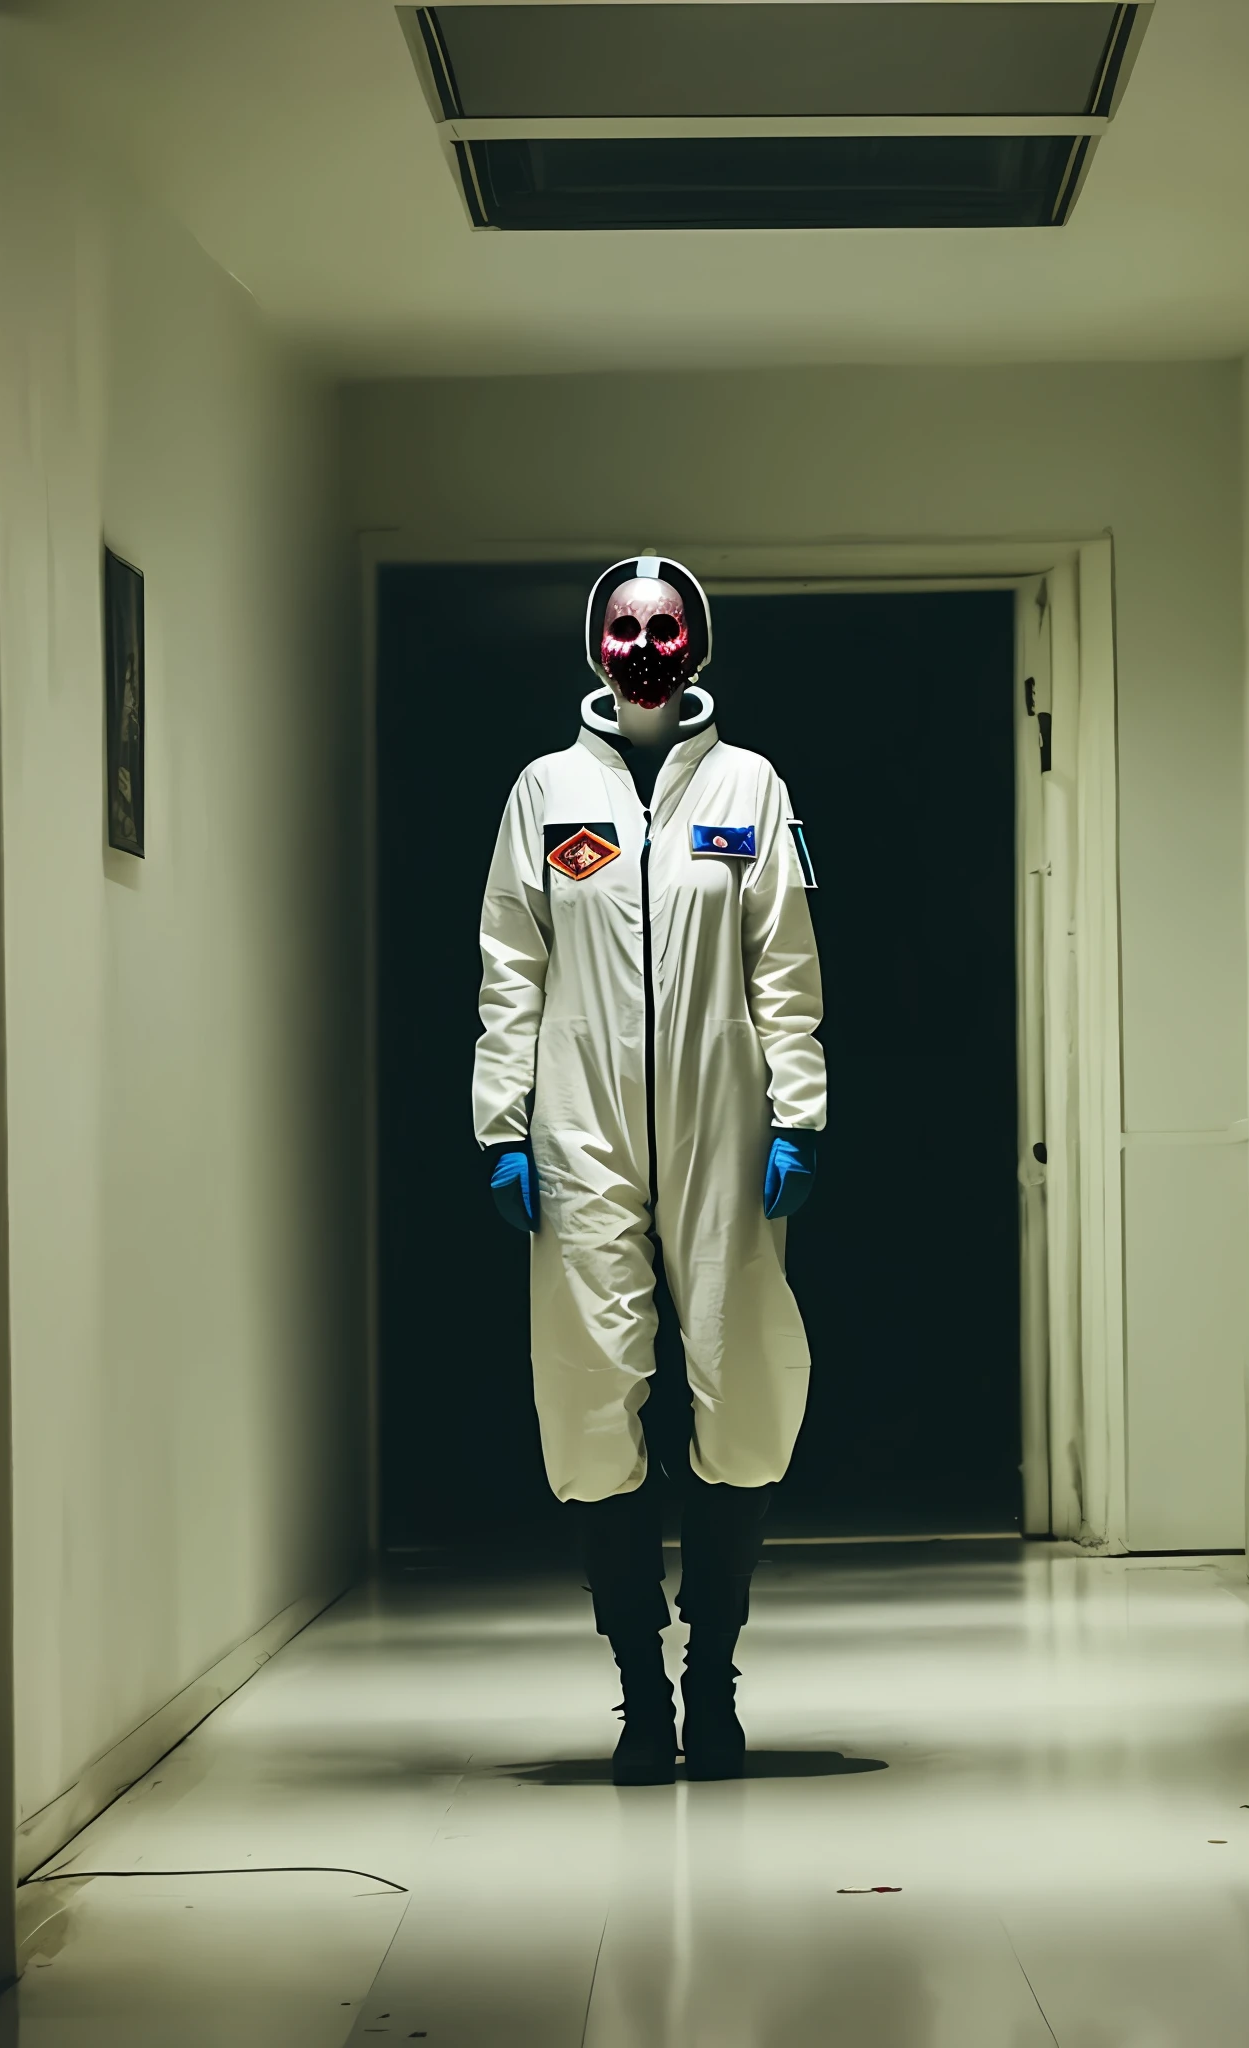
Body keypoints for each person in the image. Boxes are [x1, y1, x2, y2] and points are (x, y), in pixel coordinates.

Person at [472, 554, 825, 1783]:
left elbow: (781, 957)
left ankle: (711, 1679)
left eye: (663, 628)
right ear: (592, 646)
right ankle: (638, 1690)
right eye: (622, 628)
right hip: (579, 1123)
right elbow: (509, 965)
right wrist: (502, 1124)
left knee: (739, 1376)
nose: (641, 647)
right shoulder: (545, 792)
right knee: (586, 1391)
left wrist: (798, 1113)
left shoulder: (748, 785)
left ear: (697, 645)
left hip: (722, 1118)